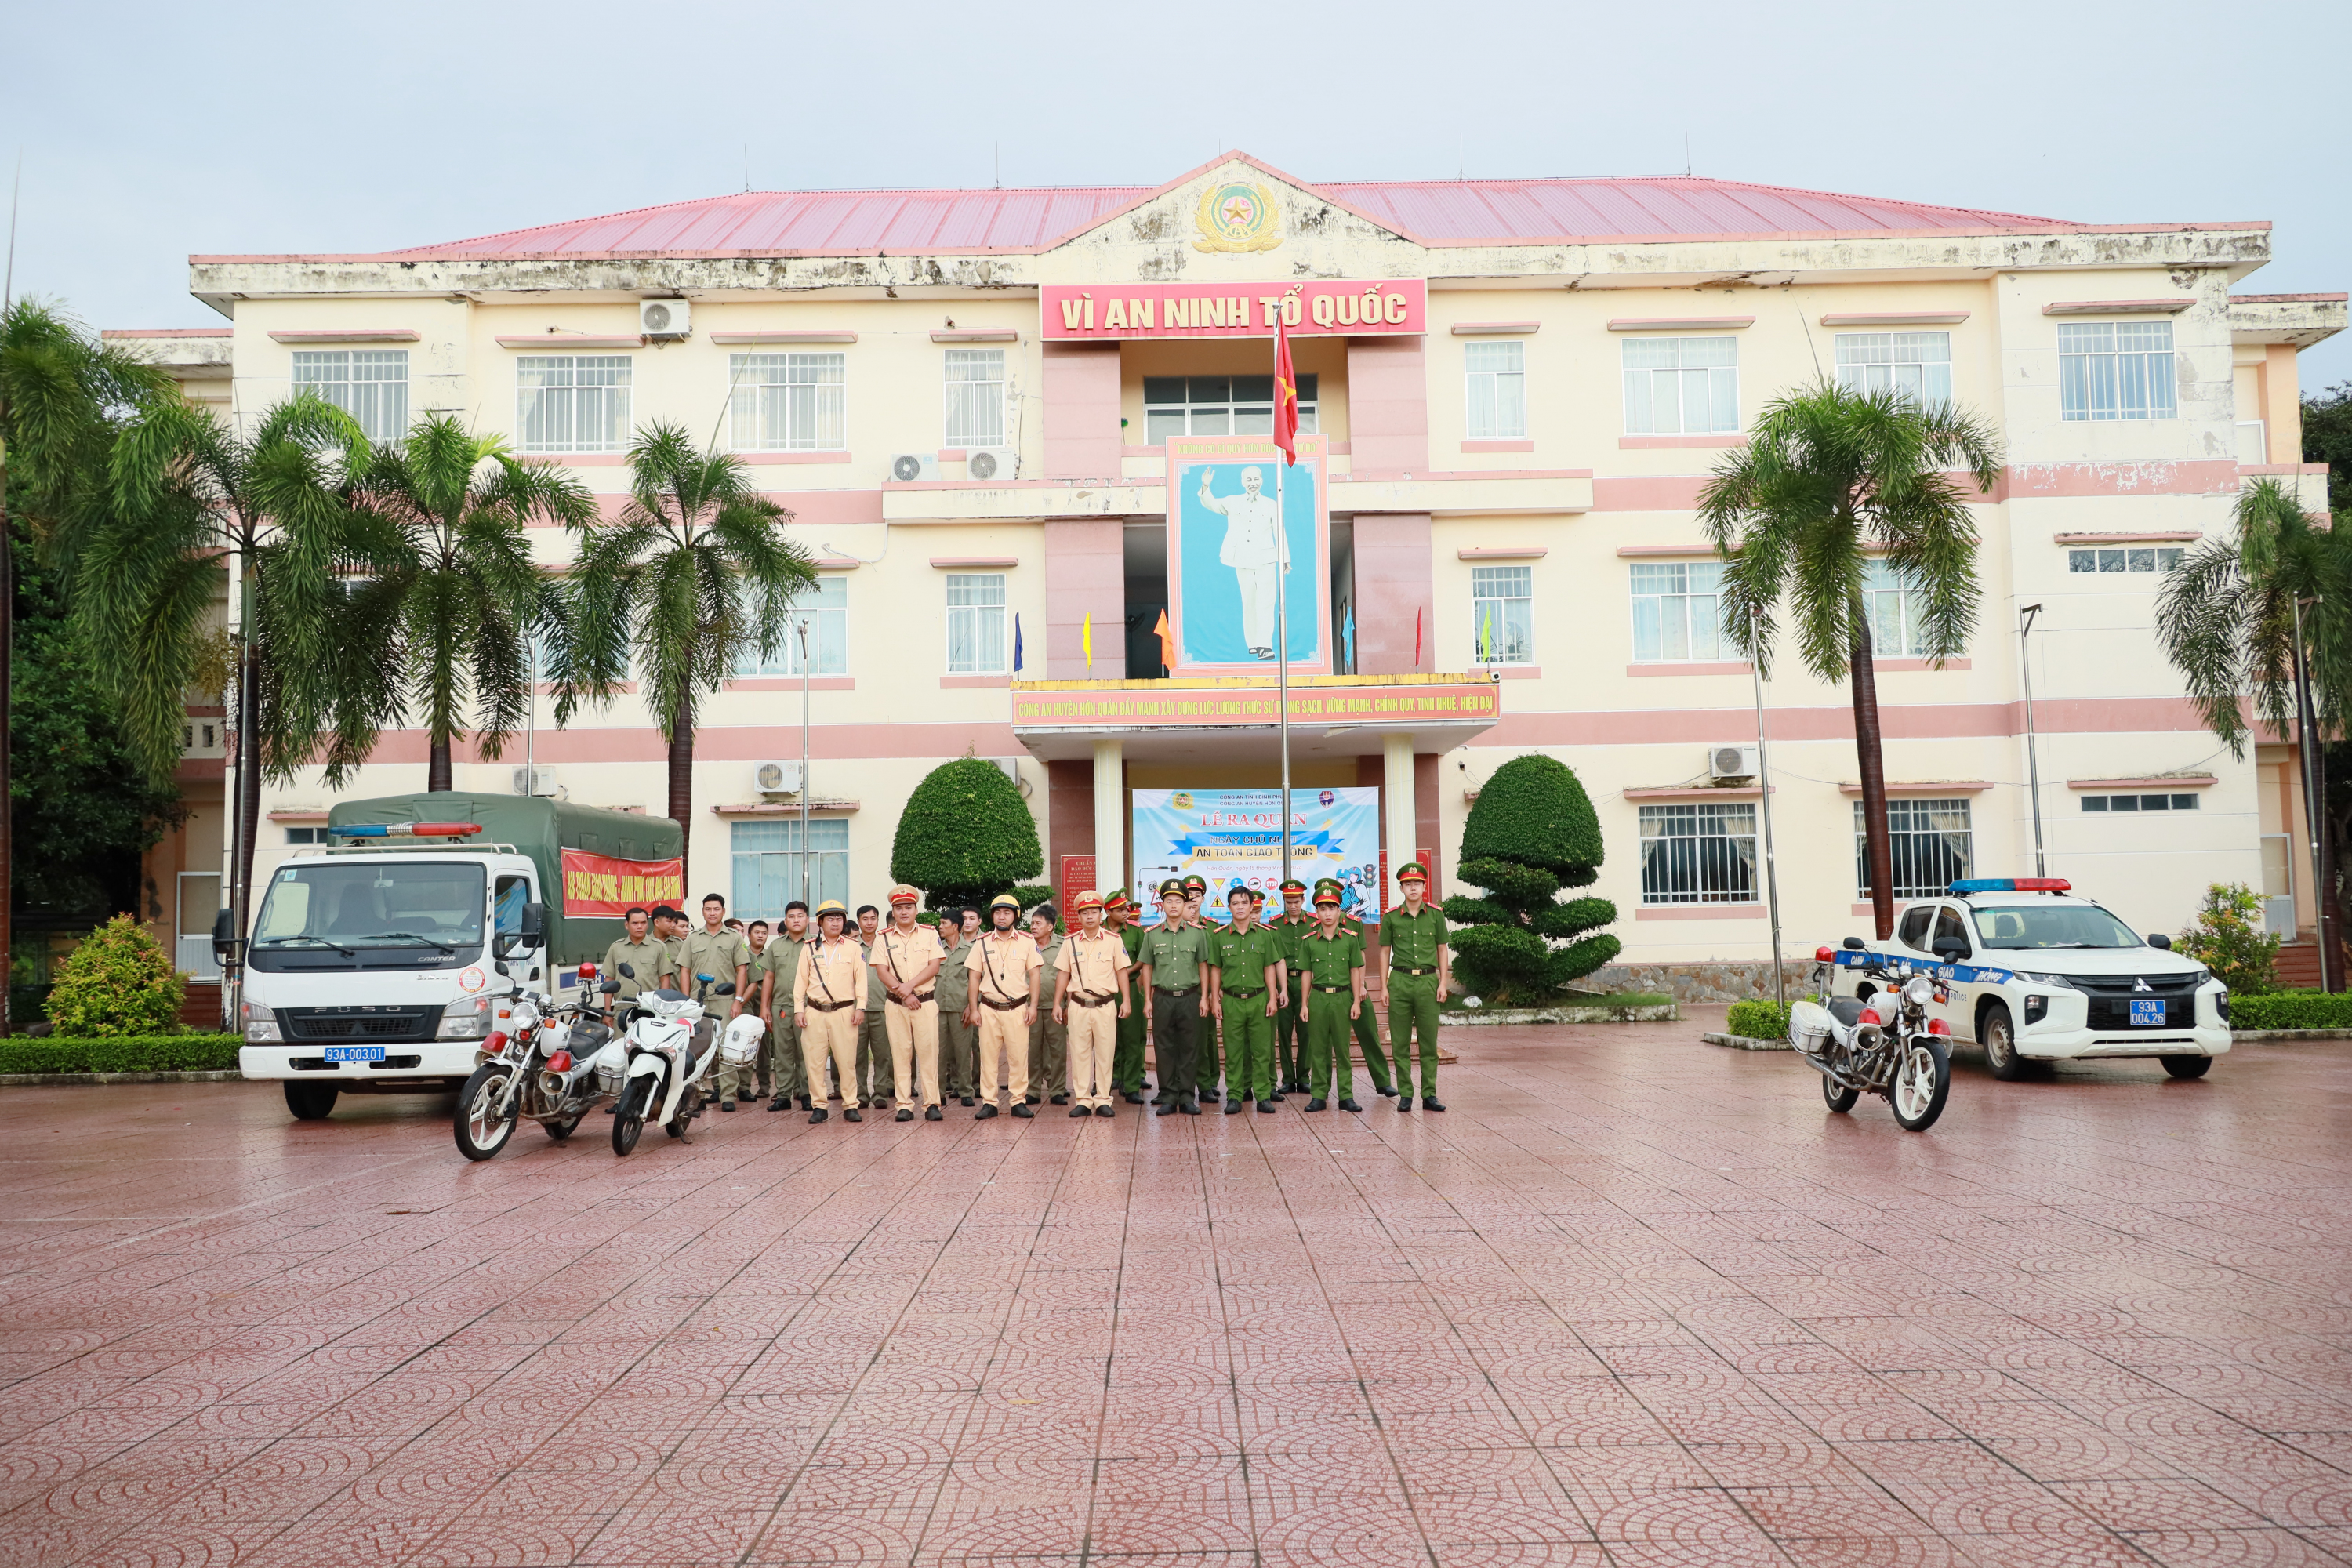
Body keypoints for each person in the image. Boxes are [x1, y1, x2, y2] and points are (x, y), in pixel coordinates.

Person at [1195, 463, 1290, 659]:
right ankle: (1253, 644)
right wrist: (1205, 486)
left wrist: (1285, 559)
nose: (1253, 483)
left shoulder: (1272, 504)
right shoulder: (1233, 502)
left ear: (1262, 482)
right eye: (1249, 479)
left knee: (1266, 602)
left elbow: (1279, 531)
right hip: (1242, 559)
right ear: (1242, 482)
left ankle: (1265, 646)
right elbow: (1211, 503)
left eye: (1256, 479)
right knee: (1249, 603)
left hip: (1266, 560)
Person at [1378, 862, 1451, 1112]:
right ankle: (1406, 1093)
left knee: (1428, 1042)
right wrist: (1384, 986)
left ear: (1424, 887)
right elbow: (1384, 951)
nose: (1413, 888)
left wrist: (1443, 982)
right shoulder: (1391, 917)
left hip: (1429, 981)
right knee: (1400, 1042)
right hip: (1399, 980)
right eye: (1408, 884)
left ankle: (1429, 1094)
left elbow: (1443, 948)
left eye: (1417, 884)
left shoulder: (1435, 915)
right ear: (1401, 887)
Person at [1204, 885, 1283, 1114]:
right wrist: (1214, 999)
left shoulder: (1265, 935)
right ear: (1229, 907)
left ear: (1252, 907)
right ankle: (1235, 1096)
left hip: (1259, 999)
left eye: (1244, 903)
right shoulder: (1218, 936)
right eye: (1235, 903)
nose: (1240, 907)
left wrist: (1272, 996)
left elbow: (1269, 967)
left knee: (1261, 1051)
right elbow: (1216, 969)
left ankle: (1263, 1096)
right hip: (1231, 1001)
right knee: (1233, 1051)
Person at [1054, 890, 1131, 1117]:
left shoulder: (1114, 941)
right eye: (1085, 913)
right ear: (1079, 917)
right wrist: (1058, 1003)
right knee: (1079, 1054)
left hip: (1106, 1006)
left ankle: (1104, 1099)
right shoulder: (1069, 942)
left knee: (1105, 1054)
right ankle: (1083, 1100)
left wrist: (1126, 1000)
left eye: (1094, 912)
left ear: (1101, 915)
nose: (1089, 917)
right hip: (1078, 1005)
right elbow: (1063, 975)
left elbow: (1122, 971)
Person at [964, 893, 1041, 1118]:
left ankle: (1018, 1101)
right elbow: (974, 978)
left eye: (1007, 913)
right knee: (988, 1057)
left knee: (1018, 1057)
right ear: (992, 916)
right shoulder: (981, 942)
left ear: (1015, 916)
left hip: (1017, 1009)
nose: (1002, 917)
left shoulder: (1027, 942)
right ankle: (990, 1102)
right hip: (988, 1008)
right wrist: (974, 1008)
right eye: (998, 913)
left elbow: (1035, 976)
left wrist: (1033, 1006)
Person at [874, 884, 946, 1122]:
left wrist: (910, 986)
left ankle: (931, 1103)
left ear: (916, 909)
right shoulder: (882, 938)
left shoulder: (929, 933)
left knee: (929, 1054)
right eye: (899, 908)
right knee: (901, 1054)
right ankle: (904, 1104)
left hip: (925, 1003)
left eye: (908, 907)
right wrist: (905, 994)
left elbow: (934, 966)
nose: (904, 912)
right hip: (896, 1005)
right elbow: (882, 972)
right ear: (893, 912)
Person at [1137, 880, 1207, 1116]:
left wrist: (1204, 997)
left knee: (1189, 1047)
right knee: (1164, 1047)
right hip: (1163, 998)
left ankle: (1187, 1096)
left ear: (1186, 904)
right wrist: (1147, 999)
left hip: (1190, 997)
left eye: (1179, 901)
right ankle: (1168, 1095)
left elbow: (1204, 966)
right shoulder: (1152, 935)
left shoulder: (1197, 935)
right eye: (1169, 901)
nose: (1174, 905)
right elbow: (1146, 968)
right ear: (1162, 905)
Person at [1296, 880, 1367, 1112]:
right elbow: (1306, 973)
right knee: (1319, 1049)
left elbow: (1355, 971)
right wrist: (1304, 1004)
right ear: (1316, 912)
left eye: (1332, 908)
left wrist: (1356, 1000)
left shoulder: (1349, 938)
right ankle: (1319, 1095)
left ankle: (1346, 1095)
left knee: (1343, 1049)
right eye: (1322, 908)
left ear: (1339, 911)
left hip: (1342, 998)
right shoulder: (1308, 941)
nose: (1327, 913)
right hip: (1317, 998)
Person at [793, 901, 866, 1123]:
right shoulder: (808, 947)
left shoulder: (853, 947)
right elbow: (800, 982)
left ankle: (850, 1105)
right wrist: (798, 1009)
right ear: (820, 923)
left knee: (846, 1061)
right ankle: (819, 1106)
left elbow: (861, 980)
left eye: (839, 919)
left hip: (844, 1011)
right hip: (814, 1011)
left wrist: (861, 1006)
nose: (836, 923)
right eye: (830, 919)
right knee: (814, 1062)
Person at [684, 893, 753, 1110]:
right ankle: (702, 1093)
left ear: (723, 911)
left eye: (716, 909)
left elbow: (742, 970)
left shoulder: (734, 938)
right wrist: (687, 1002)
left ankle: (728, 1096)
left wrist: (738, 1000)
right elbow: (684, 970)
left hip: (725, 1000)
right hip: (698, 1002)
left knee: (726, 1049)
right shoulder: (693, 938)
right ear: (702, 911)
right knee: (700, 1049)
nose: (712, 913)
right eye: (707, 909)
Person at [1339, 897, 1399, 1099]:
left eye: (1334, 902)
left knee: (1370, 1033)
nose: (1330, 908)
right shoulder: (1316, 925)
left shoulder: (1354, 923)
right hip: (1331, 989)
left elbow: (1361, 956)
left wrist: (1362, 984)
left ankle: (1383, 1081)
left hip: (1355, 986)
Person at [761, 902, 812, 1112]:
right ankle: (783, 1095)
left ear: (808, 919)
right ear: (785, 921)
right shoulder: (776, 946)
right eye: (791, 916)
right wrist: (765, 1007)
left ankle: (808, 1093)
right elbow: (769, 977)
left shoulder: (816, 944)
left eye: (800, 916)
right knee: (782, 1053)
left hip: (810, 1007)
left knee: (808, 1052)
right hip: (781, 1006)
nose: (796, 920)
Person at [1178, 873, 1222, 1103]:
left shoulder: (1212, 928)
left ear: (1204, 898)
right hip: (1180, 992)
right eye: (1189, 895)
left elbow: (1217, 962)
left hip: (1203, 992)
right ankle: (1177, 1086)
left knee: (1207, 1040)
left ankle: (1208, 1084)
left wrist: (1216, 992)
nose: (1193, 900)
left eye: (1197, 895)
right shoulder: (1174, 927)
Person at [1268, 877, 1312, 1095]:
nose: (1293, 906)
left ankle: (1303, 1077)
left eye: (1296, 901)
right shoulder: (1274, 925)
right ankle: (1287, 1078)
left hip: (1306, 982)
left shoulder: (1314, 923)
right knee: (1283, 1031)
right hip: (1283, 983)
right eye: (1288, 902)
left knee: (1306, 1031)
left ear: (1303, 899)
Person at [1105, 891, 1151, 1103]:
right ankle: (1110, 1079)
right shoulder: (1098, 930)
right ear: (1109, 912)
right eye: (1121, 910)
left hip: (1129, 988)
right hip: (1104, 991)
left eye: (1127, 909)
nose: (1126, 913)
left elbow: (1143, 959)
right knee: (1106, 1039)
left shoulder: (1135, 931)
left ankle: (1131, 1085)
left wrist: (1124, 973)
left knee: (1132, 1038)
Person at [934, 906, 980, 1106]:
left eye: (944, 923)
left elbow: (977, 981)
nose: (940, 927)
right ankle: (937, 1092)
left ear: (955, 927)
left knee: (962, 1052)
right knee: (938, 1052)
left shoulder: (971, 951)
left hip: (961, 1008)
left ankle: (965, 1091)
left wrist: (972, 1007)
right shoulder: (935, 950)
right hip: (937, 1008)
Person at [1025, 906, 1069, 1105]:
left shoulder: (1063, 945)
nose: (1033, 927)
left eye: (1038, 924)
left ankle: (1057, 1089)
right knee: (1032, 1050)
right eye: (1032, 923)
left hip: (1055, 1006)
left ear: (1050, 927)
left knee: (1057, 1050)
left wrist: (1065, 1004)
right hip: (1029, 1006)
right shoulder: (1025, 944)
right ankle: (1033, 1089)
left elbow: (1070, 975)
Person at [855, 904, 887, 1109]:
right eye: (865, 919)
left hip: (884, 1007)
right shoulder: (850, 945)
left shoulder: (886, 943)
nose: (869, 923)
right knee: (857, 1056)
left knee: (883, 1054)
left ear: (878, 921)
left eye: (873, 918)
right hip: (857, 1010)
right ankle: (860, 1094)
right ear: (858, 922)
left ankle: (881, 1093)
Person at [601, 906, 666, 1007]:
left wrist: (661, 1008)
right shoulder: (616, 947)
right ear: (627, 925)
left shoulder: (659, 947)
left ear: (648, 925)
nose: (639, 927)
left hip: (649, 1010)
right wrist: (607, 1010)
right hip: (622, 1009)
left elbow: (665, 979)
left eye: (643, 923)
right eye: (635, 923)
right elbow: (609, 979)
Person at [744, 919, 773, 1102]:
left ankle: (764, 1085)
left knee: (764, 1047)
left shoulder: (770, 955)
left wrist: (767, 1007)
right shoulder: (742, 954)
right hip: (746, 1005)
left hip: (765, 1006)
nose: (760, 936)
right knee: (745, 1046)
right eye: (757, 932)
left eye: (764, 933)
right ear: (749, 935)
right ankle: (743, 1086)